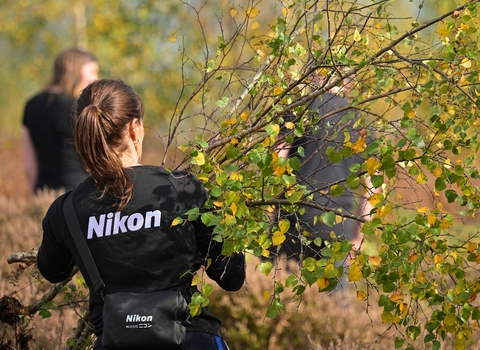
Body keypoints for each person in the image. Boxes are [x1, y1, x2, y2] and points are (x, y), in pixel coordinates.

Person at [36, 79, 246, 350]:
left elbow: (52, 270)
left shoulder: (66, 211)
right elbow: (231, 277)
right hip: (191, 339)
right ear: (134, 129)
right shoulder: (182, 188)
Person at [274, 86, 374, 263]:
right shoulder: (360, 123)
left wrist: (267, 205)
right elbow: (373, 190)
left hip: (294, 216)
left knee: (284, 285)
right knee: (332, 288)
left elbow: (276, 160)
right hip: (339, 222)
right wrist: (359, 236)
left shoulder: (300, 109)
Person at [22, 47, 99, 194]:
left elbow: (29, 166)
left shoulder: (31, 105)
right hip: (81, 193)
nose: (96, 78)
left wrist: (36, 200)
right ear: (75, 71)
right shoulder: (82, 108)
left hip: (44, 193)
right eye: (92, 72)